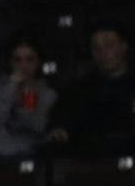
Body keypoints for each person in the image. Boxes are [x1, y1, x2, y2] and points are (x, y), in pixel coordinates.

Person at [48, 21, 135, 155]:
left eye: (109, 45)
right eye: (96, 47)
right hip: (92, 163)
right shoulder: (78, 90)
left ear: (124, 46)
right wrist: (60, 130)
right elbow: (61, 121)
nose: (103, 53)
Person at [0, 34, 59, 159]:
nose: (23, 66)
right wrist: (8, 92)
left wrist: (29, 96)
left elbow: (37, 127)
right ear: (10, 62)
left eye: (29, 60)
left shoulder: (47, 94)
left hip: (27, 157)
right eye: (17, 60)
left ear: (38, 62)